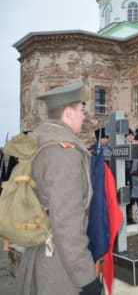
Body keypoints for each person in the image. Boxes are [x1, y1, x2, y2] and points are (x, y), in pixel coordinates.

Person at [15, 82, 102, 295]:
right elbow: (66, 222)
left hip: (42, 250)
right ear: (69, 113)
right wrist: (86, 278)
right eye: (81, 111)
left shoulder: (40, 142)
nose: (85, 117)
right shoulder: (63, 153)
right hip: (59, 267)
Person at [124, 128, 136, 224]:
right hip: (124, 175)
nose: (131, 136)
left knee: (131, 197)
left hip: (133, 175)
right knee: (125, 196)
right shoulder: (122, 147)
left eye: (132, 135)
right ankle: (124, 217)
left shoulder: (134, 146)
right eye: (129, 135)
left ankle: (130, 217)